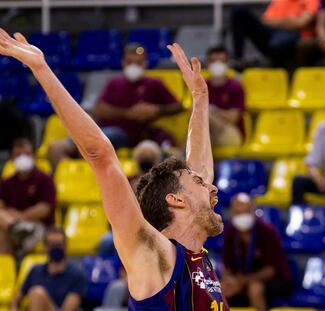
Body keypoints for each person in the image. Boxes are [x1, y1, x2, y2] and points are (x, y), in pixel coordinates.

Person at [0, 29, 228, 309]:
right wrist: (41, 68)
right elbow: (102, 156)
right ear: (177, 200)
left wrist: (200, 98)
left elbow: (201, 168)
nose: (213, 186)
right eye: (201, 185)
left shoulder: (196, 258)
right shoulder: (153, 254)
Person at [47, 43, 182, 169]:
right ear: (123, 62)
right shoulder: (115, 83)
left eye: (138, 62)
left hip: (139, 135)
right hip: (111, 131)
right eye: (130, 62)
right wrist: (129, 113)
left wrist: (156, 110)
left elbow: (178, 106)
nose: (134, 66)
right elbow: (98, 109)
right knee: (56, 149)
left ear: (145, 63)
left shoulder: (154, 84)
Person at [221, 193, 292, 311]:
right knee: (218, 290)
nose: (242, 216)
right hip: (242, 281)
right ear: (232, 213)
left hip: (273, 281)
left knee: (255, 288)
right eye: (238, 213)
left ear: (253, 211)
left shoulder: (267, 232)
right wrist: (228, 281)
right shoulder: (230, 233)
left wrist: (243, 281)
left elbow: (270, 271)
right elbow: (227, 266)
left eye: (246, 212)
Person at [0, 137, 56, 255]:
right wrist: (13, 220)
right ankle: (6, 269)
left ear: (34, 156)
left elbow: (44, 209)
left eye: (26, 154)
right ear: (11, 158)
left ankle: (15, 228)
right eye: (18, 155)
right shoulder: (7, 183)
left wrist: (20, 216)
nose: (23, 158)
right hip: (12, 227)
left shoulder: (44, 179)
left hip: (38, 226)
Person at [11, 226, 87, 311]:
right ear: (45, 247)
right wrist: (14, 308)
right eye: (52, 245)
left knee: (37, 293)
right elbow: (17, 298)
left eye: (59, 245)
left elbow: (68, 308)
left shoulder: (77, 274)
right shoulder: (36, 270)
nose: (55, 248)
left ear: (65, 246)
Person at [231, 0, 320, 68]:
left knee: (277, 43)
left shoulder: (311, 0)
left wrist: (278, 22)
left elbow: (301, 23)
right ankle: (239, 59)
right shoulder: (279, 1)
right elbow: (265, 21)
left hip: (296, 37)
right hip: (273, 34)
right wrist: (289, 21)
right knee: (240, 11)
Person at [206, 46, 245, 147]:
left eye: (221, 61)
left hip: (230, 132)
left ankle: (184, 154)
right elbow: (192, 115)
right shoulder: (202, 87)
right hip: (207, 132)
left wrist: (212, 111)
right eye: (214, 61)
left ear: (227, 64)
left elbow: (233, 118)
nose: (217, 65)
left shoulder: (235, 86)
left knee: (206, 117)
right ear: (208, 64)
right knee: (202, 123)